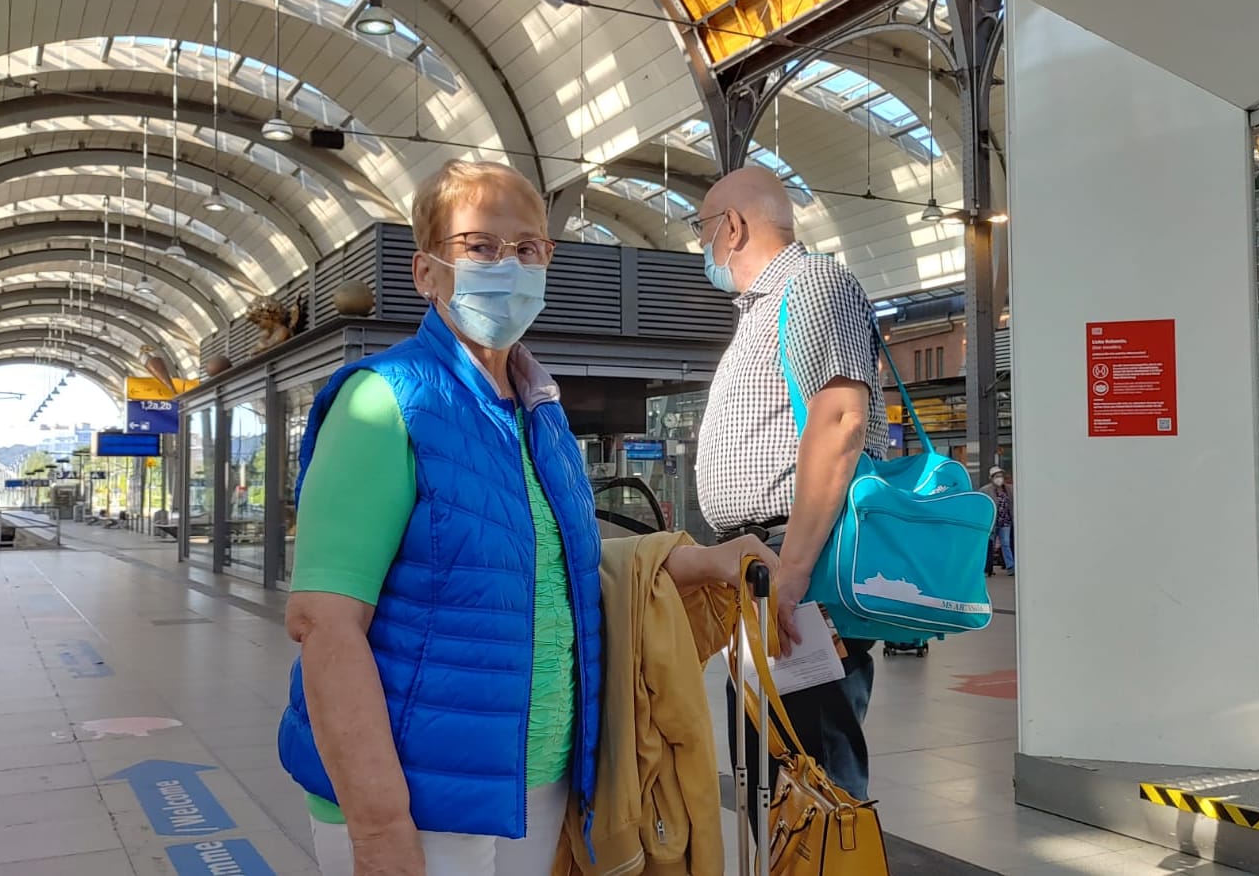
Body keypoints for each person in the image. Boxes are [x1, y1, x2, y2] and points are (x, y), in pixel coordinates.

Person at [277, 158, 776, 876]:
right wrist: (381, 827)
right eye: (479, 246)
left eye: (527, 249)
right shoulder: (381, 403)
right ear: (427, 272)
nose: (506, 265)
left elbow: (547, 564)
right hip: (420, 797)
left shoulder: (538, 412)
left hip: (537, 782)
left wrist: (689, 559)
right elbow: (324, 624)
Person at [692, 166, 889, 815]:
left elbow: (839, 420)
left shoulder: (812, 285)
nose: (702, 247)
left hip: (795, 568)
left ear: (733, 226)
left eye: (702, 230)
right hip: (763, 572)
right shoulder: (761, 311)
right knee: (769, 777)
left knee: (815, 781)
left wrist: (794, 571)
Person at [981, 465, 1015, 574]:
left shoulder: (1009, 489)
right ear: (991, 478)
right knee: (990, 544)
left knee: (1006, 543)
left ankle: (1010, 566)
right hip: (992, 522)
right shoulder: (985, 490)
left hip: (1005, 521)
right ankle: (988, 568)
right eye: (996, 476)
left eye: (1001, 476)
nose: (999, 478)